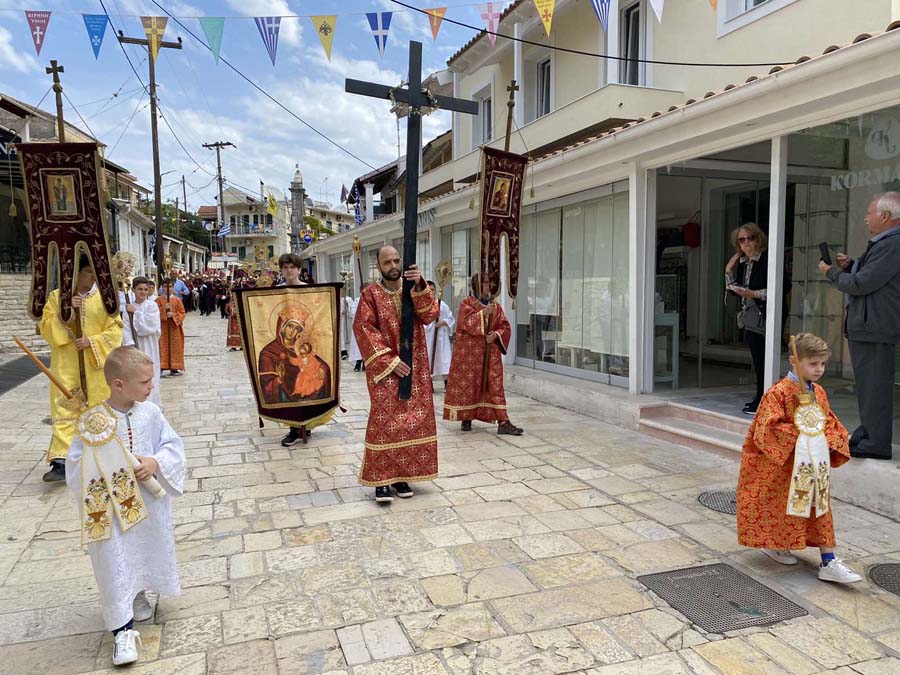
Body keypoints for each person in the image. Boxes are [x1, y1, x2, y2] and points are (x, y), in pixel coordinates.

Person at [66, 346, 186, 666]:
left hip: (147, 502)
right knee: (113, 558)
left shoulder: (151, 413)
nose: (151, 387)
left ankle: (138, 593)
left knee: (143, 550)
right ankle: (122, 629)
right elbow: (75, 466)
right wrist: (105, 471)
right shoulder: (94, 423)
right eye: (145, 381)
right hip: (108, 508)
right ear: (118, 384)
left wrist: (154, 461)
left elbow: (172, 446)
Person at [736, 333, 861, 584]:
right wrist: (803, 435)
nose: (819, 369)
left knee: (819, 505)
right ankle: (777, 544)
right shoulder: (778, 393)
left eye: (822, 364)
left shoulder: (819, 392)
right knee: (784, 507)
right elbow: (766, 429)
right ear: (794, 360)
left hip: (813, 463)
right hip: (786, 464)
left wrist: (830, 437)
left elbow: (829, 421)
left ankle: (829, 560)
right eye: (813, 364)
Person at [353, 246, 439, 502]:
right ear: (378, 266)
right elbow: (364, 329)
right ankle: (381, 480)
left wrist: (421, 286)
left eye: (396, 260)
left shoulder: (413, 289)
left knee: (412, 424)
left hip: (416, 368)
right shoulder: (370, 294)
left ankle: (401, 476)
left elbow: (430, 315)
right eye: (387, 262)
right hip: (386, 371)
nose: (393, 265)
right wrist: (389, 361)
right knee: (384, 423)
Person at [819, 192, 900, 460]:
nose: (866, 218)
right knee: (868, 386)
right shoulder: (885, 243)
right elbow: (871, 278)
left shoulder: (893, 244)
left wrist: (831, 273)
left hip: (875, 326)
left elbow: (862, 284)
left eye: (870, 213)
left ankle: (876, 443)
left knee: (875, 386)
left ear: (886, 217)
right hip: (869, 324)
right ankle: (869, 433)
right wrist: (852, 265)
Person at [40, 255, 123, 482]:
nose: (92, 277)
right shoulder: (57, 298)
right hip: (66, 364)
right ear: (74, 273)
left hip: (95, 366)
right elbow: (45, 328)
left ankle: (102, 453)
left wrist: (92, 341)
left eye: (94, 272)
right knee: (65, 406)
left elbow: (116, 330)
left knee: (98, 406)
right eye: (88, 272)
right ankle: (61, 460)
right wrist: (65, 314)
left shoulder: (105, 299)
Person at [443, 274, 523, 435]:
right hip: (470, 354)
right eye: (485, 283)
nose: (488, 285)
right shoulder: (467, 302)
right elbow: (465, 323)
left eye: (490, 282)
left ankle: (503, 421)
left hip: (490, 353)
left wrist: (495, 335)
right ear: (477, 285)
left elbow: (505, 326)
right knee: (469, 385)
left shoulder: (496, 306)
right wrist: (483, 313)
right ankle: (466, 416)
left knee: (494, 385)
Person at [276, 252, 334, 447]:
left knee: (311, 383)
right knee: (289, 384)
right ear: (282, 270)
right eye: (285, 267)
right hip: (285, 348)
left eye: (292, 267)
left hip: (307, 346)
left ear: (298, 269)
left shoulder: (310, 291)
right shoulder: (276, 292)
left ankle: (306, 425)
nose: (289, 270)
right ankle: (293, 428)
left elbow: (319, 315)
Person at [725, 222, 769, 416]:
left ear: (758, 238)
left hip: (765, 315)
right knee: (757, 360)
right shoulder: (744, 264)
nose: (746, 243)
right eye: (741, 240)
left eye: (749, 238)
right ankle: (760, 397)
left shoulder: (767, 260)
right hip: (750, 316)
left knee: (763, 361)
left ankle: (763, 399)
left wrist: (753, 293)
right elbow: (735, 290)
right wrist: (729, 271)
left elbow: (781, 288)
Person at [125, 277, 162, 407]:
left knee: (150, 373)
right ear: (133, 289)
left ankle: (152, 403)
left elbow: (151, 325)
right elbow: (126, 328)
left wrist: (136, 313)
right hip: (135, 347)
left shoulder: (152, 306)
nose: (143, 292)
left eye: (146, 289)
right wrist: (130, 344)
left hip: (149, 345)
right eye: (140, 289)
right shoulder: (127, 308)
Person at [424, 280, 455, 387]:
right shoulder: (423, 305)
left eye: (432, 290)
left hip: (441, 337)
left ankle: (447, 383)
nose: (431, 292)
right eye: (429, 290)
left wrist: (443, 322)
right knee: (429, 358)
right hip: (428, 337)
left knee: (444, 360)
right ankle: (429, 384)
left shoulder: (442, 305)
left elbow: (450, 318)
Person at [157, 281, 185, 377]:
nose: (167, 289)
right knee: (162, 346)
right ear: (162, 287)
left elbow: (182, 312)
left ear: (173, 287)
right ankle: (161, 366)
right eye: (165, 286)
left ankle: (175, 367)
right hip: (163, 327)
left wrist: (173, 315)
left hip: (174, 327)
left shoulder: (177, 300)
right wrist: (164, 310)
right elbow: (154, 312)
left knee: (175, 346)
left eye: (169, 286)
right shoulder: (158, 300)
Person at [118, 283, 136, 347]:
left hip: (130, 311)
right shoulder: (118, 293)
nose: (127, 286)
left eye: (129, 285)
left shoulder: (131, 294)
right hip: (121, 313)